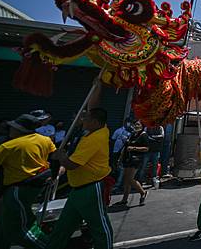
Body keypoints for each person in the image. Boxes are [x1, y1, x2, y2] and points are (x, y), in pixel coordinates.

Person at [47, 107, 114, 249]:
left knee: (99, 227)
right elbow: (94, 105)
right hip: (77, 188)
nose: (82, 121)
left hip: (90, 188)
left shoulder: (94, 139)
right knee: (63, 226)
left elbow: (72, 165)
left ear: (95, 122)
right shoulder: (100, 130)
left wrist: (61, 157)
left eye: (85, 119)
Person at [0, 114, 56, 249]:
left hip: (17, 189)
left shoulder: (8, 147)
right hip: (36, 186)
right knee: (5, 224)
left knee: (21, 228)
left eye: (13, 127)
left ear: (20, 129)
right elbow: (55, 154)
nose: (10, 129)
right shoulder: (44, 140)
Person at [116, 120, 148, 206]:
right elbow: (125, 147)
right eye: (135, 124)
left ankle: (143, 192)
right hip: (127, 158)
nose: (136, 126)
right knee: (126, 179)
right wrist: (120, 158)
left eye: (138, 124)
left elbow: (146, 148)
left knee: (130, 179)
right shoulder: (132, 135)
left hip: (136, 160)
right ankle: (124, 199)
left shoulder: (143, 135)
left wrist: (134, 148)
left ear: (142, 126)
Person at [111, 120, 133, 189]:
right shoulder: (118, 130)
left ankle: (118, 184)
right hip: (116, 151)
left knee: (122, 168)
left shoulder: (131, 133)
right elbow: (113, 139)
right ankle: (113, 181)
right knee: (114, 166)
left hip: (125, 153)